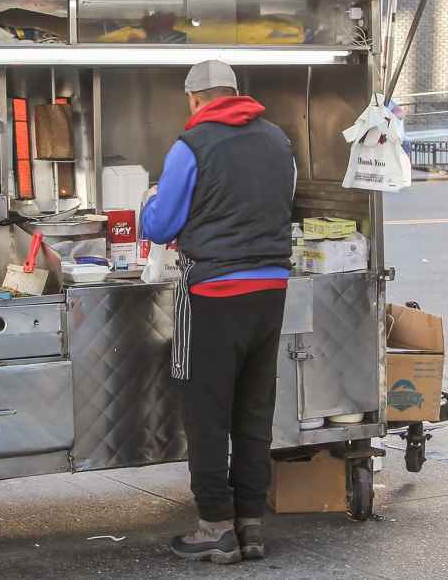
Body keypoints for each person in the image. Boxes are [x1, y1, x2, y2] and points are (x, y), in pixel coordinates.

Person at [140, 60, 295, 565]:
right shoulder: (278, 140)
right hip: (271, 289)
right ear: (235, 92)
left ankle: (214, 526)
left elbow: (162, 225)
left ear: (194, 99)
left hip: (213, 293)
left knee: (206, 412)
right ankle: (250, 523)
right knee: (254, 408)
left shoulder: (192, 145)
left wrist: (148, 206)